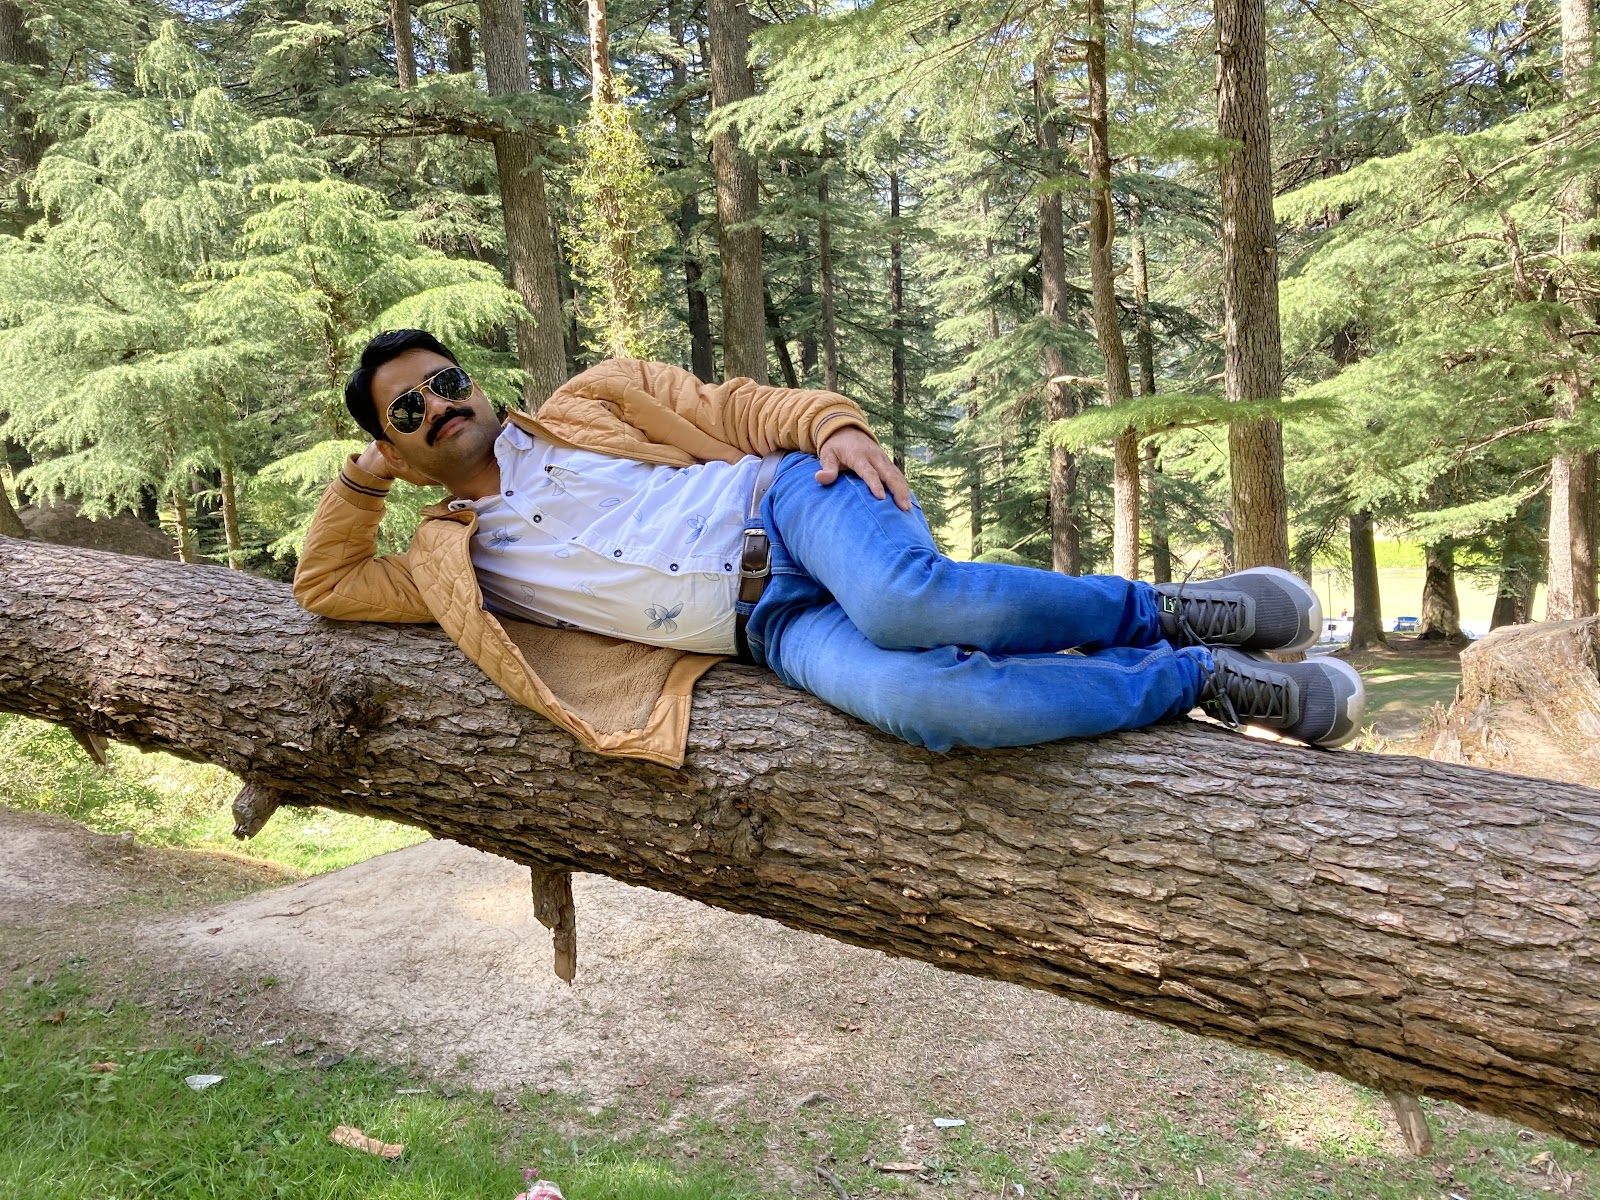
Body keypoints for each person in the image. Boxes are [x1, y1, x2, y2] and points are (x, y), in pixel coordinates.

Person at [294, 329, 1364, 768]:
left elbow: (736, 403)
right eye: (405, 411)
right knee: (942, 710)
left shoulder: (594, 399)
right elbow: (326, 583)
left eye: (445, 383)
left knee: (908, 604)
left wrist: (831, 426)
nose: (437, 405)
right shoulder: (447, 564)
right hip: (768, 626)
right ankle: (1196, 675)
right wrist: (362, 484)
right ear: (387, 443)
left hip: (790, 504)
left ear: (474, 385)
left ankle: (1162, 607)